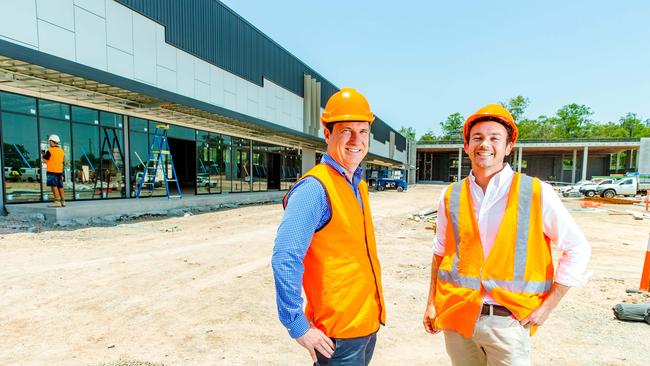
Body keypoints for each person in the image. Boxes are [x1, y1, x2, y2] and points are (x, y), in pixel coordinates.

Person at [422, 104, 591, 365]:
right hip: (458, 317)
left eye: (494, 138)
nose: (484, 144)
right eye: (477, 138)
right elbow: (440, 251)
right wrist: (431, 302)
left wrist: (547, 307)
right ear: (466, 146)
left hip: (508, 322)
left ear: (508, 147)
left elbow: (578, 248)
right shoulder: (450, 196)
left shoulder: (536, 193)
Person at [272, 88, 385, 365]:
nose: (356, 140)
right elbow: (285, 257)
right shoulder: (315, 188)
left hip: (365, 327)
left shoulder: (358, 185)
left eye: (363, 131)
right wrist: (298, 326)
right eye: (347, 130)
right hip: (336, 337)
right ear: (327, 133)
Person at [43, 134, 65, 207]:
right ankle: (63, 201)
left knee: (54, 186)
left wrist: (43, 153)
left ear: (53, 142)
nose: (50, 142)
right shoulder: (61, 151)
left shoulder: (50, 150)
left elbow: (45, 160)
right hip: (59, 171)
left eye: (50, 141)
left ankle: (57, 201)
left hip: (52, 170)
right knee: (60, 186)